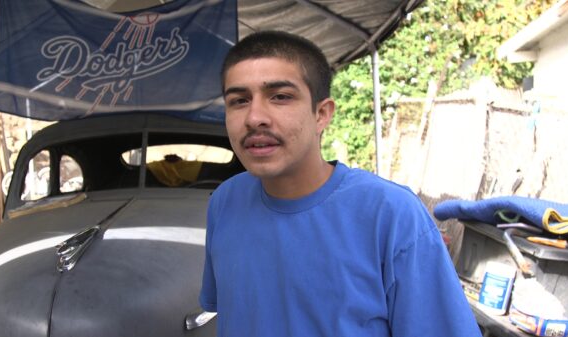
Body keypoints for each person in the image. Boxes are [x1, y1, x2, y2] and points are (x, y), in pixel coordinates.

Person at [199, 30, 481, 337]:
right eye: (239, 100)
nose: (254, 118)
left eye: (280, 96)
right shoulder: (225, 201)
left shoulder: (391, 215)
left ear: (322, 114)